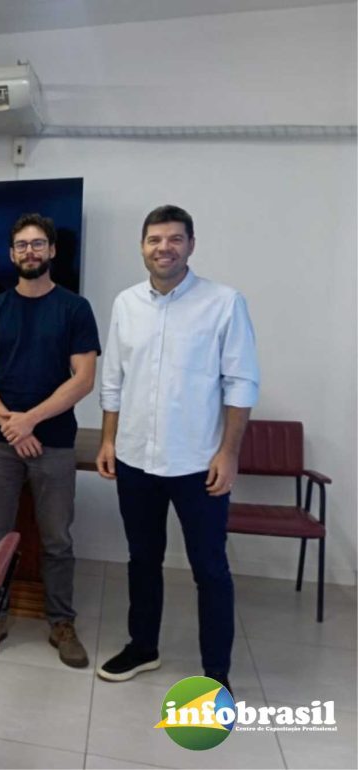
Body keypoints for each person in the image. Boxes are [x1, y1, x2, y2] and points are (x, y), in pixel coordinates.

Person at [96, 205, 259, 693]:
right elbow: (113, 380)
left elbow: (241, 383)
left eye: (174, 239)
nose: (163, 248)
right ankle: (143, 647)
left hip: (198, 463)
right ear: (142, 246)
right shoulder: (126, 304)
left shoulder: (224, 303)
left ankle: (216, 673)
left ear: (191, 245)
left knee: (210, 569)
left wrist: (229, 453)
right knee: (142, 559)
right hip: (135, 459)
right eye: (154, 239)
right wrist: (108, 439)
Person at [0, 213, 100, 667]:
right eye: (22, 245)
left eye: (38, 243)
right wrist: (11, 423)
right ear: (11, 253)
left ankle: (61, 621)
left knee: (57, 538)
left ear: (52, 250)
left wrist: (31, 421)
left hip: (54, 441)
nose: (30, 251)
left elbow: (83, 379)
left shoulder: (75, 309)